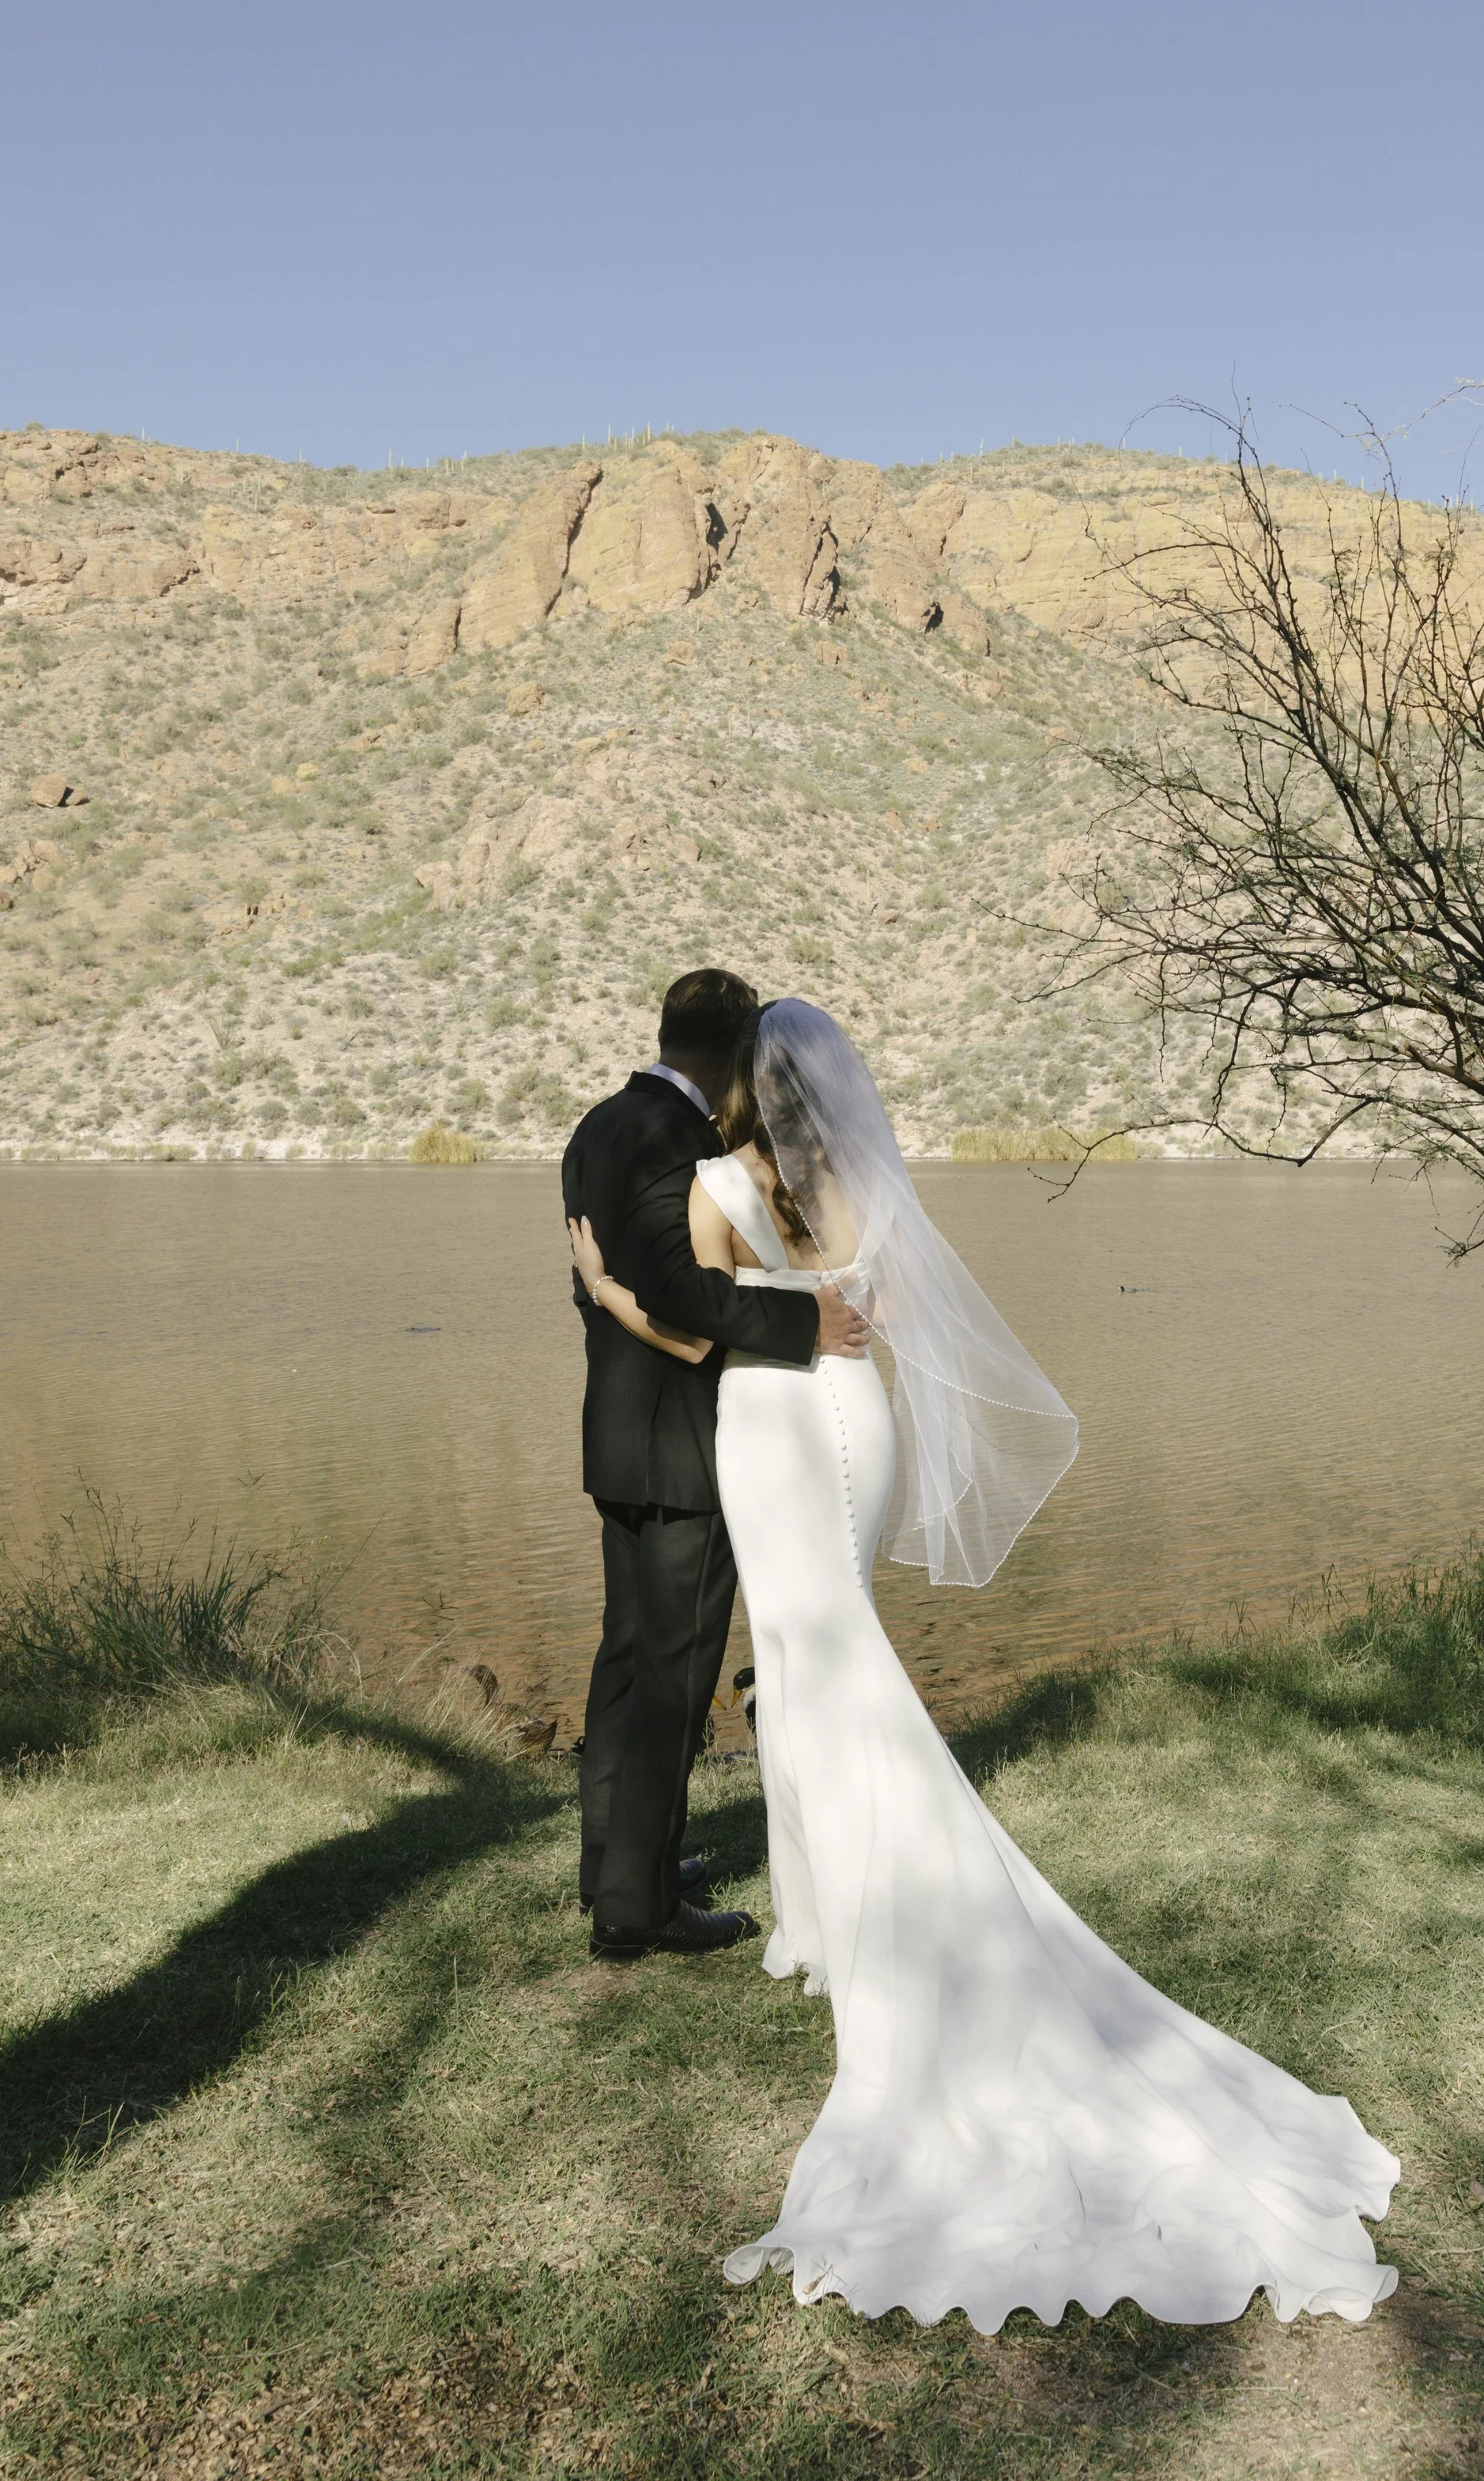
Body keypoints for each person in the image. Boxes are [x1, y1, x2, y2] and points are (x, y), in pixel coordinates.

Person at [568, 996, 1399, 2337]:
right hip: (856, 1419)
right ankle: (825, 1915)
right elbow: (870, 1308)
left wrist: (607, 1285)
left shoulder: (718, 1184)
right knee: (828, 1653)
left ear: (739, 1084)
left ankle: (845, 1914)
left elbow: (694, 1323)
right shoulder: (861, 1191)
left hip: (771, 1431)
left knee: (805, 1657)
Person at [560, 969, 870, 1962]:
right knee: (675, 1672)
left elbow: (616, 1277)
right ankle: (637, 1906)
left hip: (618, 1432)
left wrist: (605, 1298)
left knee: (625, 1657)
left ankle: (615, 1858)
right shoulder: (670, 1139)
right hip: (680, 1444)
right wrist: (801, 1316)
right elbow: (688, 1301)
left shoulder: (597, 1125)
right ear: (736, 1050)